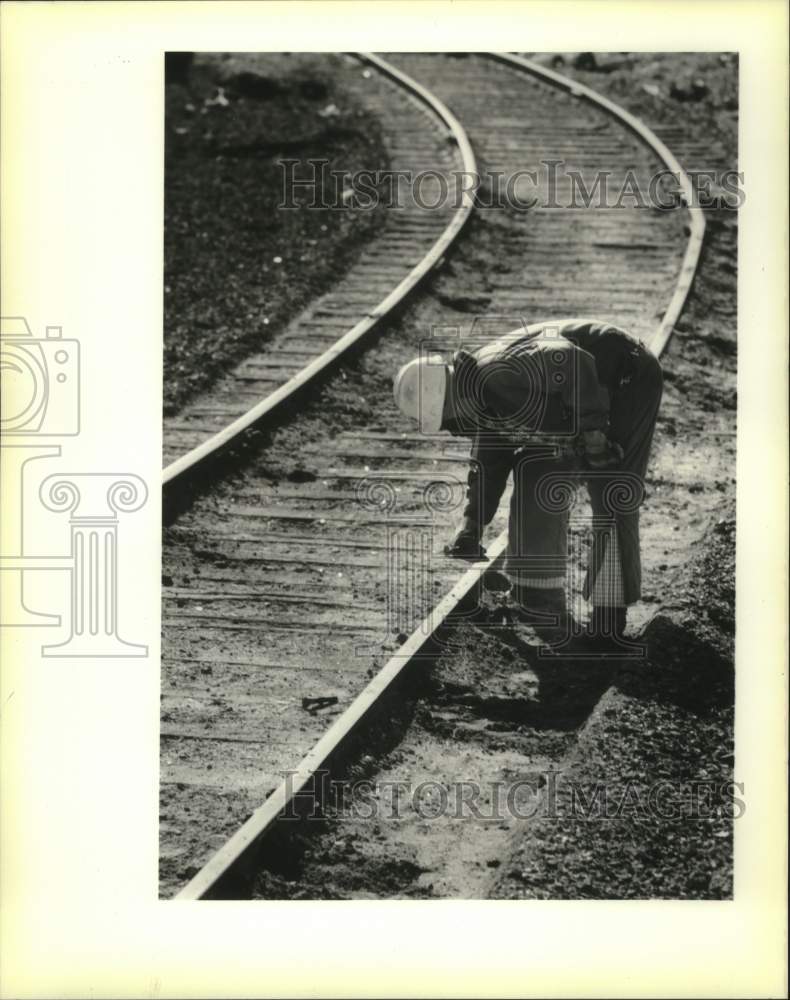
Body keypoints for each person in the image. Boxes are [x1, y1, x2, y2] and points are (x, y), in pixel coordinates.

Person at [392, 318, 663, 647]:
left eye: (448, 421)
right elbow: (490, 462)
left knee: (612, 491)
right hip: (575, 406)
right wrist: (472, 525)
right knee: (535, 474)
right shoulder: (478, 399)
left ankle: (609, 616)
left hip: (625, 378)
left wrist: (594, 435)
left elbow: (572, 359)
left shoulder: (498, 372)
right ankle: (539, 598)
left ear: (450, 398)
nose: (453, 430)